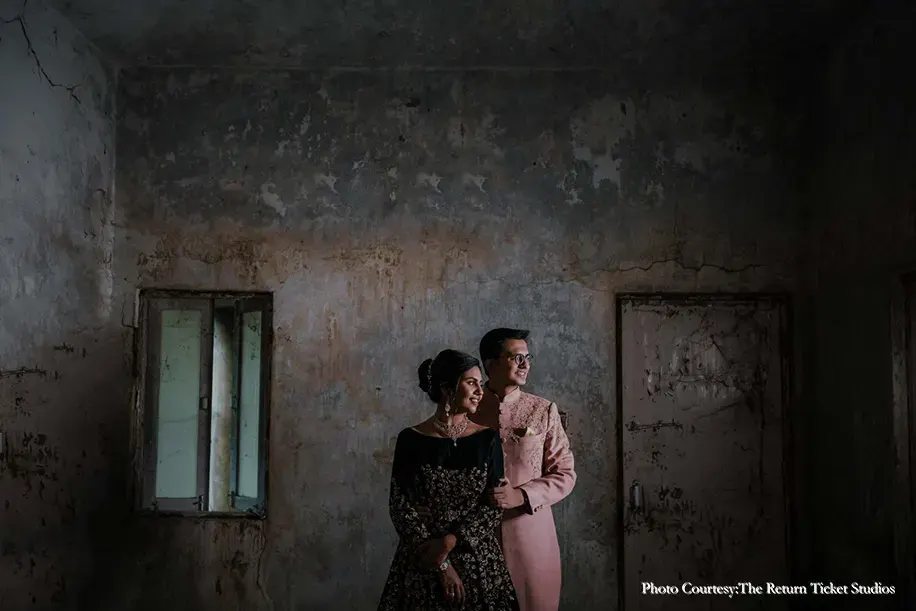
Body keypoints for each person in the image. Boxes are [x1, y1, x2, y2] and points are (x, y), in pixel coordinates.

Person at [377, 349, 519, 611]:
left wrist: (451, 540)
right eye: (472, 383)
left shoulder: (487, 439)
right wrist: (442, 564)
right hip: (424, 561)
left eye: (480, 383)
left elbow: (493, 506)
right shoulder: (410, 440)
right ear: (447, 388)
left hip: (478, 562)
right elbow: (401, 507)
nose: (480, 391)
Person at [470, 328, 577, 611]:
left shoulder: (543, 410)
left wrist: (522, 495)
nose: (525, 364)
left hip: (531, 536)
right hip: (474, 539)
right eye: (516, 357)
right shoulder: (469, 410)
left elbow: (565, 474)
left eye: (527, 358)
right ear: (491, 363)